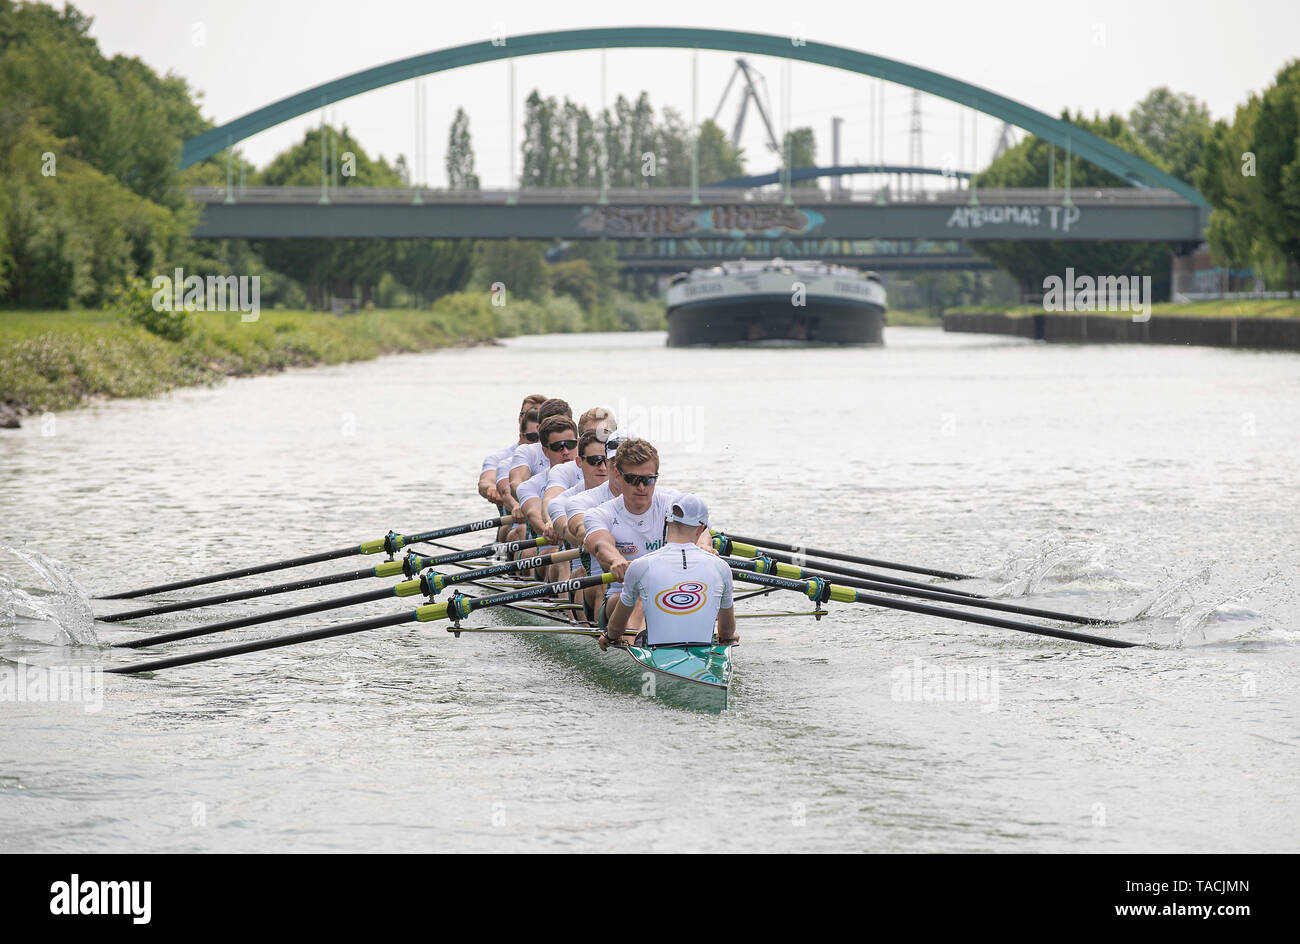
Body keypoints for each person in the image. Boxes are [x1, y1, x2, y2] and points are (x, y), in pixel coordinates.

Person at [599, 494, 738, 650]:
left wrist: (608, 637)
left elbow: (616, 628)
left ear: (666, 521)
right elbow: (726, 631)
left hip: (655, 652)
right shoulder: (721, 567)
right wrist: (728, 637)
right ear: (701, 528)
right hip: (703, 650)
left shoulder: (640, 566)